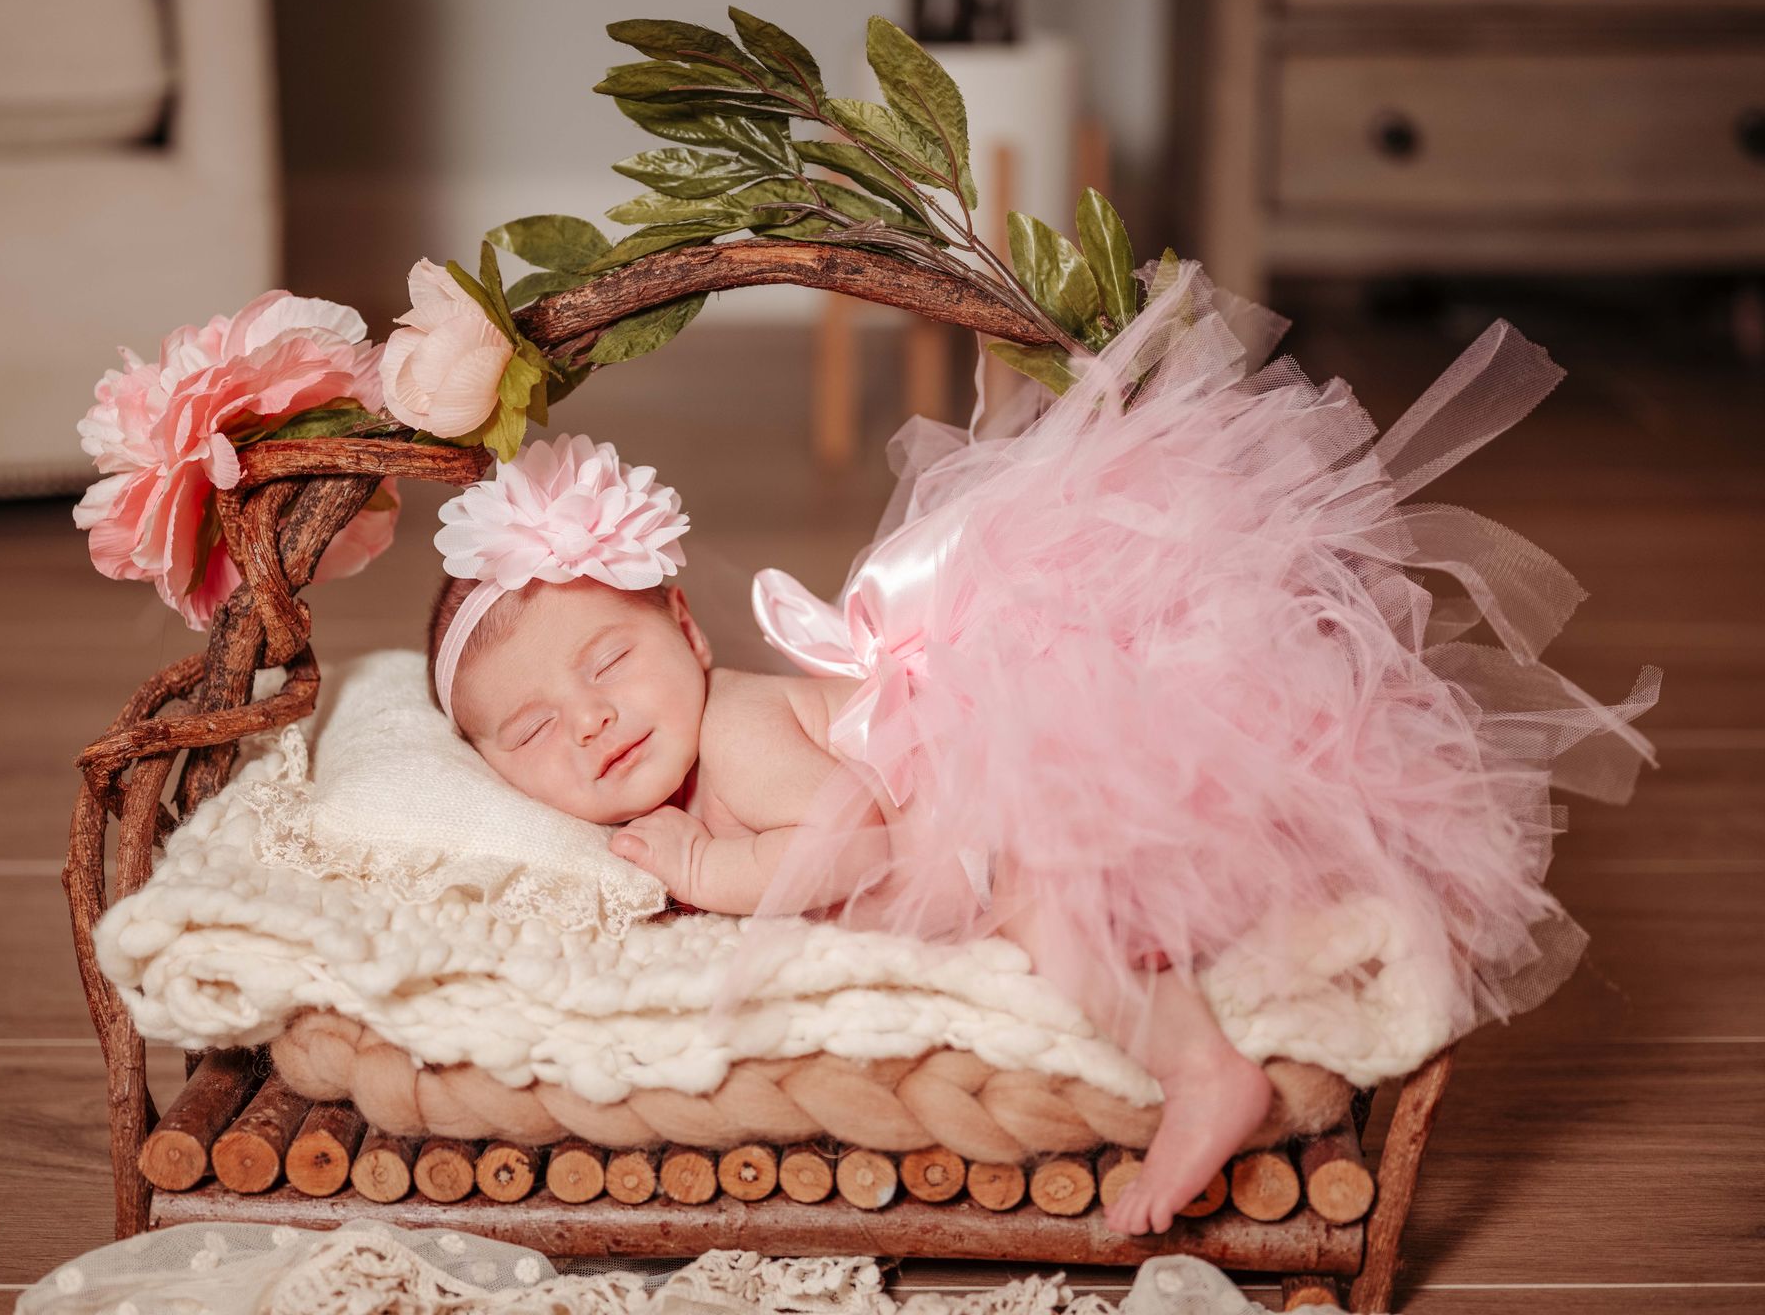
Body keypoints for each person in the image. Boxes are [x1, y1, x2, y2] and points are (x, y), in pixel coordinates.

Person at [425, 258, 1660, 1235]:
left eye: (607, 664)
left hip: (985, 810)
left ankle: (1199, 1067)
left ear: (686, 631)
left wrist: (707, 872)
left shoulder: (740, 736)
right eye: (532, 729)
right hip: (995, 787)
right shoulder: (682, 747)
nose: (589, 719)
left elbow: (851, 836)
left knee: (1048, 894)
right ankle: (1207, 957)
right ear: (487, 768)